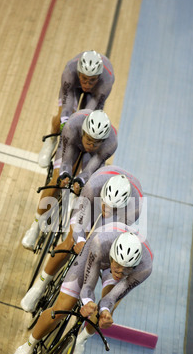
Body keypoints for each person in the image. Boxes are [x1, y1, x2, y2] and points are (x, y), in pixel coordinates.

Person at [4, 227, 153, 354]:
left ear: (134, 266)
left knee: (107, 309)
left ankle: (81, 341)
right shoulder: (99, 244)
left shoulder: (144, 268)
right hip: (96, 253)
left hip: (121, 259)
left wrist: (105, 312)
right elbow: (88, 286)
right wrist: (87, 302)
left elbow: (111, 298)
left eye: (126, 269)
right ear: (113, 256)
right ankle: (26, 348)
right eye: (118, 266)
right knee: (63, 307)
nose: (120, 272)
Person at [21, 166, 144, 313]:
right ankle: (39, 286)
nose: (108, 210)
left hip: (119, 217)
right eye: (106, 205)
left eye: (113, 208)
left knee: (100, 247)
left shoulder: (133, 209)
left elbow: (107, 237)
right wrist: (80, 240)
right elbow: (79, 221)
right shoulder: (93, 187)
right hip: (94, 198)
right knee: (71, 241)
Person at [22, 108, 118, 251]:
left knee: (90, 187)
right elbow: (66, 161)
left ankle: (73, 214)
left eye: (96, 143)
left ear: (103, 141)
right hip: (72, 144)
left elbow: (90, 170)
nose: (91, 145)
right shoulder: (73, 125)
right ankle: (35, 226)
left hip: (94, 157)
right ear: (83, 132)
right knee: (56, 181)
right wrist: (65, 175)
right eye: (89, 140)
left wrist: (80, 181)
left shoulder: (111, 143)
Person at [38, 50, 115, 168]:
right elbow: (67, 108)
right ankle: (51, 140)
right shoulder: (70, 71)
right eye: (84, 79)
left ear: (99, 77)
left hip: (96, 93)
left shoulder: (106, 81)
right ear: (79, 73)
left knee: (87, 129)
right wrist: (65, 124)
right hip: (73, 87)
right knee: (63, 116)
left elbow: (87, 116)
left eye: (92, 80)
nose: (87, 84)